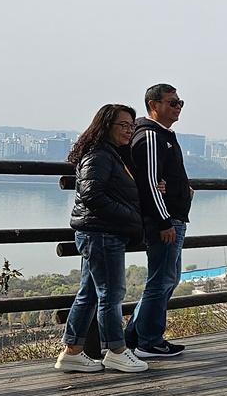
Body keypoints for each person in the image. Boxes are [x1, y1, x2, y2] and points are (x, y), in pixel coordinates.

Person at [54, 104, 149, 374]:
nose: (129, 130)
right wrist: (130, 218)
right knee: (111, 293)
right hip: (102, 233)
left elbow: (115, 191)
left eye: (132, 126)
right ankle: (116, 351)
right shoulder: (99, 155)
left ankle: (72, 351)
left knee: (90, 293)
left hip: (100, 232)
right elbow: (92, 194)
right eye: (123, 125)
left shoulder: (112, 155)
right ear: (106, 125)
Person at [125, 84, 192, 358]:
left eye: (180, 103)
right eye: (172, 102)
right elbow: (151, 182)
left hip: (171, 217)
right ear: (154, 105)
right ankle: (149, 341)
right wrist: (164, 220)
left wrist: (182, 190)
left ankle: (135, 336)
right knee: (161, 280)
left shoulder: (162, 135)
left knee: (168, 278)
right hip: (165, 221)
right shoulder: (151, 136)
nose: (178, 107)